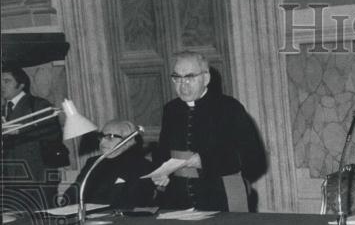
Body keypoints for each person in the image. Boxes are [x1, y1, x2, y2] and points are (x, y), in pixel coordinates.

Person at [152, 52, 267, 211]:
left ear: (206, 78)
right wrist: (161, 173)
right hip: (179, 199)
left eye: (189, 77)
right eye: (177, 78)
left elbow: (253, 159)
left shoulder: (229, 108)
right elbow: (163, 152)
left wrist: (205, 161)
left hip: (221, 195)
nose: (183, 85)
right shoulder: (171, 109)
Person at [1, 67, 62, 210]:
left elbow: (53, 132)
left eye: (6, 81)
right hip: (11, 182)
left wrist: (19, 131)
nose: (1, 86)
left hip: (38, 179)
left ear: (21, 84)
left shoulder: (38, 104)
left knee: (42, 218)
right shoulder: (3, 109)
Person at [61, 119, 155, 210]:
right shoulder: (93, 162)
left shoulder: (140, 166)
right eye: (101, 136)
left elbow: (131, 202)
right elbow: (70, 196)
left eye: (110, 137)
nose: (102, 142)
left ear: (127, 142)